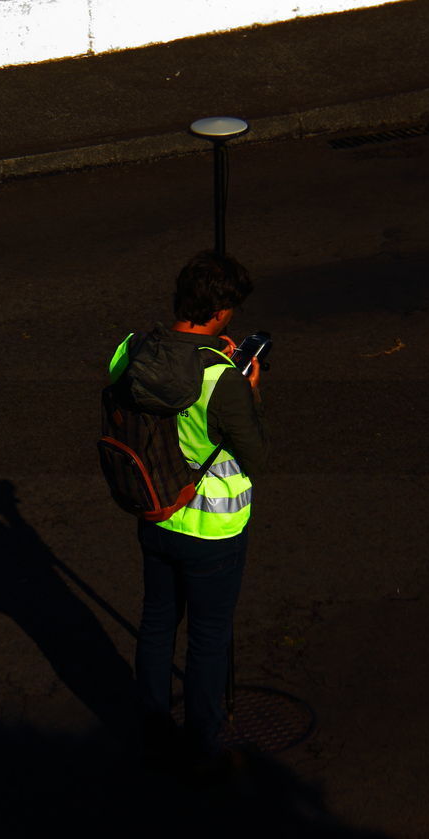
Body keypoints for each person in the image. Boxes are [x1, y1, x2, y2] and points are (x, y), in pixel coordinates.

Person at [106, 250, 268, 768]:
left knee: (157, 624)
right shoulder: (223, 379)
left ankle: (152, 729)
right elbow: (255, 454)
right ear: (221, 314)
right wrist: (250, 389)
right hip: (211, 530)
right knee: (208, 638)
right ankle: (202, 745)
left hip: (152, 512)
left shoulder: (131, 350)